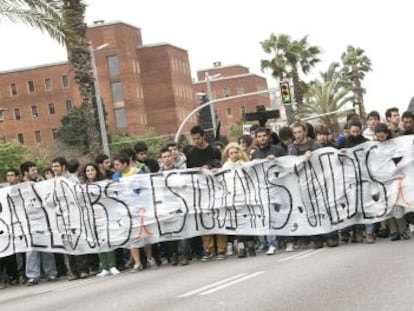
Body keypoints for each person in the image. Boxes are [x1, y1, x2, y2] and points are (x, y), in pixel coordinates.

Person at [112, 153, 157, 271]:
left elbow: (145, 189)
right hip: (126, 210)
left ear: (125, 164)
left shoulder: (137, 173)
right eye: (115, 164)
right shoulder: (115, 176)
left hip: (140, 209)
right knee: (132, 236)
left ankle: (149, 257)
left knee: (145, 234)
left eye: (117, 164)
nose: (115, 167)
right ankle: (137, 262)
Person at [186, 125, 223, 261]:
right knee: (204, 219)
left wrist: (210, 166)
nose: (196, 141)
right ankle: (208, 249)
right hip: (200, 191)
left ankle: (221, 248)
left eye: (198, 138)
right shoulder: (190, 153)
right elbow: (188, 170)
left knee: (218, 217)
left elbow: (220, 164)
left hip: (215, 188)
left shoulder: (213, 150)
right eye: (194, 139)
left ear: (203, 136)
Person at [21, 161, 58, 286]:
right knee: (31, 249)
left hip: (43, 218)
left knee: (46, 246)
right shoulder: (19, 187)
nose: (35, 172)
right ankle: (32, 275)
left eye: (36, 170)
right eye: (32, 170)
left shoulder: (41, 183)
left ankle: (51, 272)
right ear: (26, 172)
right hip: (28, 221)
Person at [251, 126, 285, 255]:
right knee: (269, 217)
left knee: (281, 215)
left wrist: (276, 161)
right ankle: (272, 244)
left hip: (279, 188)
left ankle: (288, 240)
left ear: (268, 136)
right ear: (256, 138)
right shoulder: (255, 154)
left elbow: (286, 165)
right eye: (259, 136)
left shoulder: (278, 150)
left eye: (264, 136)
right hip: (264, 191)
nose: (262, 138)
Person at [374, 123, 410, 241]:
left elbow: (401, 159)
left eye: (382, 137)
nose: (380, 139)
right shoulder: (374, 147)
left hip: (395, 178)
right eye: (378, 137)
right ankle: (394, 232)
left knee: (397, 204)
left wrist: (397, 171)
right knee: (388, 206)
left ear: (387, 134)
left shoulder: (394, 144)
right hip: (382, 180)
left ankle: (403, 230)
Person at [83, 163, 120, 277]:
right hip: (92, 217)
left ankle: (112, 265)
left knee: (108, 239)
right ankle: (104, 267)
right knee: (98, 241)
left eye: (92, 170)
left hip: (105, 214)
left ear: (96, 171)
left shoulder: (104, 183)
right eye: (88, 171)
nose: (90, 172)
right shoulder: (83, 187)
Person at [221, 143, 253, 258]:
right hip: (233, 199)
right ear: (227, 155)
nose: (234, 155)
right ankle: (241, 247)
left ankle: (250, 244)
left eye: (235, 153)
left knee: (248, 220)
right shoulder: (225, 167)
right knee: (238, 223)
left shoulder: (244, 164)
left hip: (245, 197)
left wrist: (244, 166)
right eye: (231, 153)